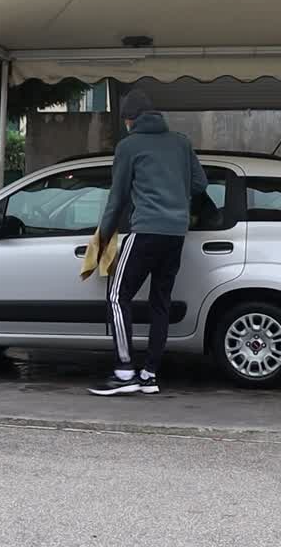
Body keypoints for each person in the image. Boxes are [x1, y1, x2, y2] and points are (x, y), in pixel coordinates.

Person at [88, 89, 207, 396]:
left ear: (129, 120)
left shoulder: (129, 146)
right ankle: (150, 374)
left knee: (117, 296)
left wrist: (103, 238)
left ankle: (124, 371)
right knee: (160, 303)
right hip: (175, 234)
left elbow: (118, 198)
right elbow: (199, 184)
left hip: (146, 231)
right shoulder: (181, 142)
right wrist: (175, 196)